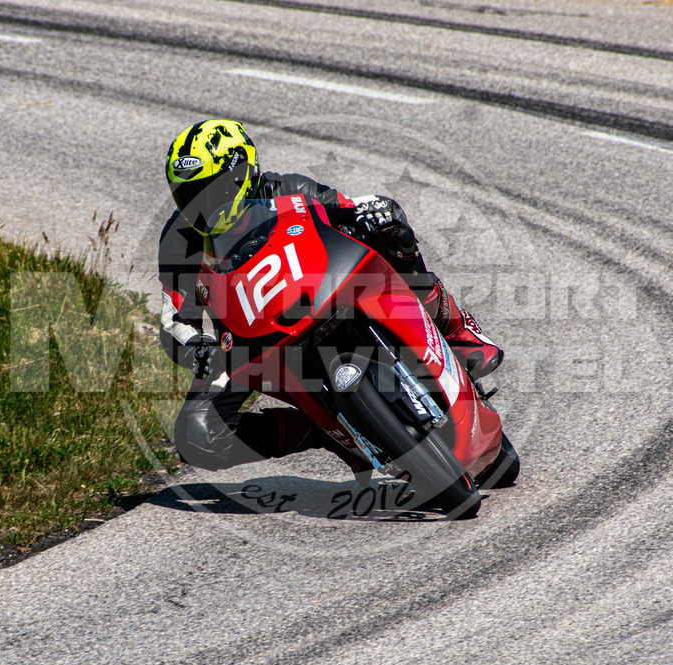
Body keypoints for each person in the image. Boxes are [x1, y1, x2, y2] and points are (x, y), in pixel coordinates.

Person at [158, 119, 502, 473]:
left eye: (211, 192)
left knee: (390, 228)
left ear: (242, 173)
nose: (201, 207)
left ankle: (455, 329)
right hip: (246, 342)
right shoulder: (178, 240)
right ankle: (322, 431)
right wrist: (199, 346)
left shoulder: (287, 188)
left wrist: (373, 213)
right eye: (188, 196)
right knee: (196, 437)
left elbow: (348, 210)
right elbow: (173, 318)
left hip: (322, 296)